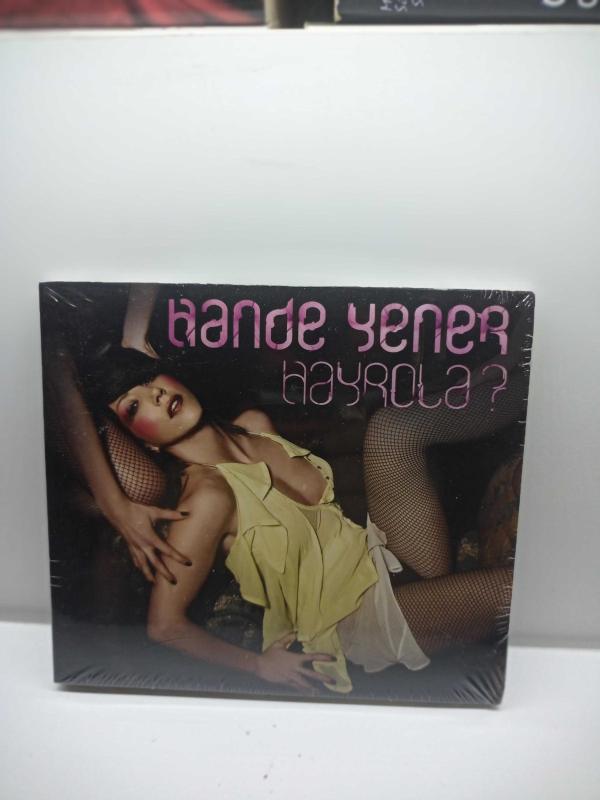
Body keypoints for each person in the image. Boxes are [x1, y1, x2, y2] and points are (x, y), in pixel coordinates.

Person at [94, 354, 522, 695]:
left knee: (392, 430)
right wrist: (259, 666)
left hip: (381, 560)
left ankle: (516, 375)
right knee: (511, 590)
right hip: (356, 621)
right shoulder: (207, 499)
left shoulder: (254, 426)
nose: (155, 396)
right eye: (134, 406)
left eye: (150, 380)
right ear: (145, 443)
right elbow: (164, 625)